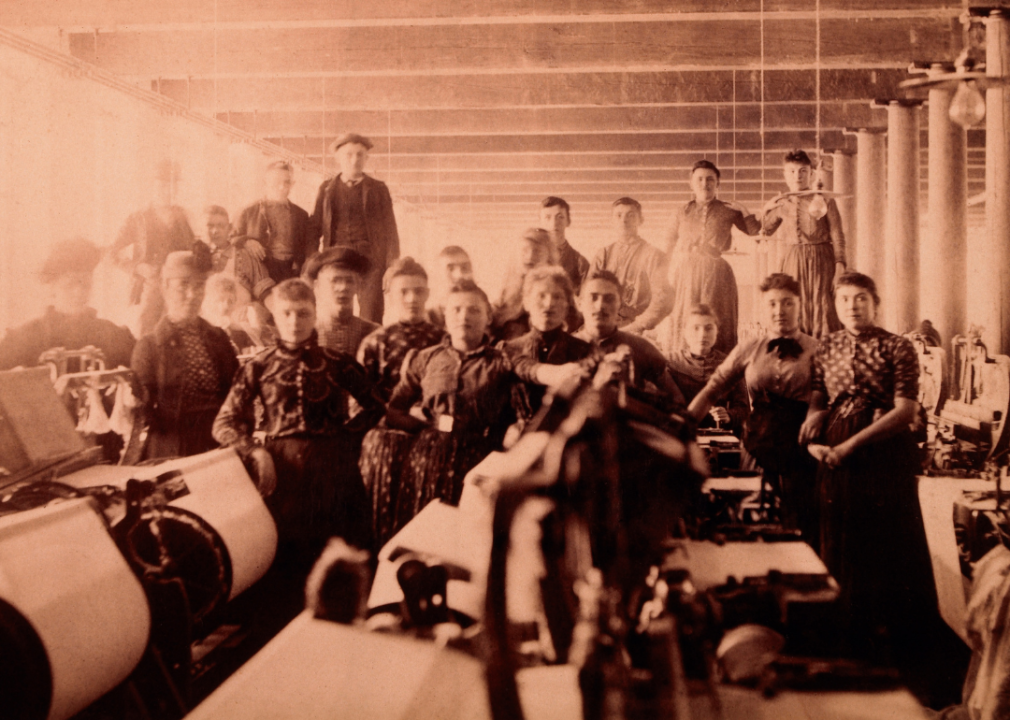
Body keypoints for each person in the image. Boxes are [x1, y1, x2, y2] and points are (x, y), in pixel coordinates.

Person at [799, 272, 936, 664]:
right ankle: (845, 637)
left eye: (861, 299)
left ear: (875, 304)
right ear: (835, 305)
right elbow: (819, 395)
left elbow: (905, 411)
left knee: (882, 544)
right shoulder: (827, 346)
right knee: (838, 538)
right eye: (844, 300)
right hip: (834, 456)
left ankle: (888, 648)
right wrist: (813, 430)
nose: (852, 306)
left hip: (883, 454)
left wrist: (849, 446)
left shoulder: (898, 347)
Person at [213, 278, 383, 568]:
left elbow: (377, 406)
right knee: (290, 562)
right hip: (284, 473)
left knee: (342, 556)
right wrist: (255, 451)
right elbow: (224, 423)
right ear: (275, 317)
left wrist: (348, 438)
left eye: (303, 313)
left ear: (315, 315)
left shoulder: (337, 361)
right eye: (286, 313)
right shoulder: (258, 365)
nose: (294, 322)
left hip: (336, 472)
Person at [689, 276, 817, 539]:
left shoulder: (819, 349)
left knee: (801, 523)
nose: (779, 310)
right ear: (763, 308)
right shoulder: (749, 348)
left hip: (802, 449)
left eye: (787, 303)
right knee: (754, 519)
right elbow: (713, 389)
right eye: (771, 304)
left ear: (800, 305)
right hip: (758, 447)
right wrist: (682, 426)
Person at [387, 280, 517, 529]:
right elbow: (394, 410)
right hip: (426, 462)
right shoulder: (425, 358)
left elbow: (517, 418)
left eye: (473, 310)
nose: (463, 316)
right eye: (456, 309)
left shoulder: (502, 362)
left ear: (488, 317)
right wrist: (423, 423)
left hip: (478, 465)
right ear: (445, 315)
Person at [357, 258, 445, 549]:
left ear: (428, 294)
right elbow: (360, 406)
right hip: (386, 444)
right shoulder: (375, 343)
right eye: (404, 291)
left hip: (434, 437)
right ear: (388, 296)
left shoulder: (444, 340)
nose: (412, 299)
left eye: (419, 291)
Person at [131, 250, 238, 460]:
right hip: (172, 449)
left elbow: (237, 396)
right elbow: (142, 413)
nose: (192, 294)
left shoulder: (219, 340)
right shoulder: (149, 347)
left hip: (219, 444)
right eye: (183, 285)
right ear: (165, 287)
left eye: (199, 286)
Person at [661, 160, 759, 355]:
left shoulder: (728, 209)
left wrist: (745, 211)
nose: (705, 184)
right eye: (700, 179)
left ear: (717, 184)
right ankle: (683, 365)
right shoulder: (681, 212)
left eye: (710, 179)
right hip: (687, 272)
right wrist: (662, 276)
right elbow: (668, 246)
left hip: (717, 271)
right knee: (686, 314)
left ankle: (721, 367)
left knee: (717, 315)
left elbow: (756, 232)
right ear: (691, 183)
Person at [0, 238, 135, 371]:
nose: (79, 292)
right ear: (52, 287)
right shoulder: (28, 336)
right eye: (69, 285)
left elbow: (149, 364)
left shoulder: (110, 334)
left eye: (85, 284)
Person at [310, 133, 400, 324]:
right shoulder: (326, 190)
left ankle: (370, 351)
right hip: (336, 259)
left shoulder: (378, 189)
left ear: (366, 158)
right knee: (335, 311)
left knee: (371, 314)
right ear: (338, 159)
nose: (354, 160)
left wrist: (391, 266)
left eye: (360, 155)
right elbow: (315, 227)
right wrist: (312, 263)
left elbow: (390, 229)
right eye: (348, 155)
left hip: (371, 261)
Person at [761, 150, 846, 339]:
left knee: (822, 306)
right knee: (794, 304)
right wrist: (766, 209)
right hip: (793, 261)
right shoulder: (782, 203)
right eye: (791, 171)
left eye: (802, 171)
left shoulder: (824, 199)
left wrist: (840, 265)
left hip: (821, 259)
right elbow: (764, 231)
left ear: (811, 173)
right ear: (784, 174)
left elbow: (837, 233)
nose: (797, 176)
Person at [573, 270, 686, 411]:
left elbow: (677, 401)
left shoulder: (641, 348)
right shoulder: (564, 346)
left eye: (609, 299)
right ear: (579, 303)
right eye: (593, 297)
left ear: (619, 304)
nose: (600, 305)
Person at [113, 160, 196, 338]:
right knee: (146, 335)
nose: (168, 191)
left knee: (180, 334)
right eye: (163, 185)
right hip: (150, 287)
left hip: (178, 288)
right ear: (153, 186)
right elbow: (112, 253)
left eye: (173, 186)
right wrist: (137, 267)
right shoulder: (138, 218)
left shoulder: (184, 217)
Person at [502, 265, 595, 424]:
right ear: (526, 302)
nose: (549, 303)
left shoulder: (584, 351)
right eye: (541, 295)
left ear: (567, 305)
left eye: (557, 297)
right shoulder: (509, 349)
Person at [590, 197, 671, 334]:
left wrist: (638, 326)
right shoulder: (603, 254)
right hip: (604, 326)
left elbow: (662, 300)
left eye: (630, 215)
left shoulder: (653, 255)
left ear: (641, 220)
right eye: (619, 215)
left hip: (638, 329)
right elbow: (589, 294)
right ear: (612, 221)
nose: (624, 220)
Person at [667, 304, 747, 434]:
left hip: (719, 436)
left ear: (717, 332)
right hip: (679, 435)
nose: (702, 334)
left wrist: (729, 415)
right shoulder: (670, 362)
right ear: (685, 332)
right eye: (695, 328)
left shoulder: (730, 363)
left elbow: (743, 409)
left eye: (709, 328)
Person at [233, 161, 314, 285]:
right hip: (262, 271)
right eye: (276, 182)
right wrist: (247, 241)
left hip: (292, 272)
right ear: (265, 183)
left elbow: (309, 245)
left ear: (292, 184)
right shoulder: (249, 211)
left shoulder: (301, 214)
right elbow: (233, 237)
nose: (282, 187)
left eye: (286, 182)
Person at [303, 246, 380, 356]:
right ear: (317, 287)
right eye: (335, 280)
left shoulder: (374, 333)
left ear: (358, 286)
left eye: (349, 281)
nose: (343, 287)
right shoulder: (306, 334)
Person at [491, 227, 558, 341]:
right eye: (525, 250)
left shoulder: (557, 287)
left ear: (549, 257)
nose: (530, 256)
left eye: (537, 251)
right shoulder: (509, 284)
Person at [202, 205, 274, 303]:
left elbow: (264, 290)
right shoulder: (197, 257)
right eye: (210, 226)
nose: (215, 231)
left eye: (221, 226)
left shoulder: (244, 255)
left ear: (229, 228)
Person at [540, 196, 589, 293]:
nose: (554, 223)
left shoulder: (580, 263)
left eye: (560, 217)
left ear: (568, 221)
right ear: (541, 222)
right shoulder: (532, 259)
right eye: (547, 217)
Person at [201, 274, 256, 355]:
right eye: (220, 300)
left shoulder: (236, 330)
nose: (226, 306)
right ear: (208, 300)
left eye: (230, 301)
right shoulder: (203, 328)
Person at [427, 245, 474, 328]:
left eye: (465, 268)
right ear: (437, 276)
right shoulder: (428, 318)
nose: (460, 275)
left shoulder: (483, 316)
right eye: (451, 269)